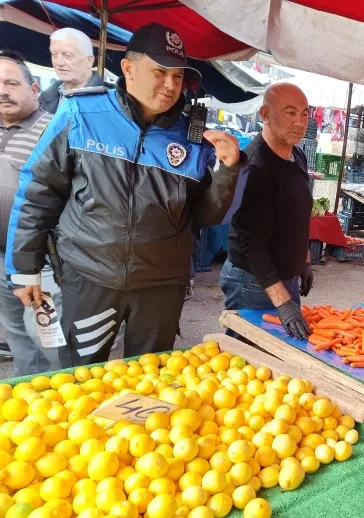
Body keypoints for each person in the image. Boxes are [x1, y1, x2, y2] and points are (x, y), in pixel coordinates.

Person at [7, 23, 242, 366]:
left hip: (161, 286)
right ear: (129, 68)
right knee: (80, 379)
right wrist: (24, 268)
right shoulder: (81, 113)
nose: (170, 85)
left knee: (148, 385)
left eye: (178, 77)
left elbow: (206, 216)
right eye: (160, 72)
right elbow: (38, 192)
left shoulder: (194, 136)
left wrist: (227, 170)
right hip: (89, 277)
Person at [220, 83, 313, 340]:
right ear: (265, 115)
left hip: (285, 278)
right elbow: (252, 245)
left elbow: (297, 214)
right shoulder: (254, 165)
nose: (300, 122)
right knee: (246, 361)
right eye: (290, 112)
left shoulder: (297, 156)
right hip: (252, 282)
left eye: (304, 114)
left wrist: (304, 260)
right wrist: (283, 303)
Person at [0, 51, 63, 374]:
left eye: (11, 83)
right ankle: (30, 396)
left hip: (42, 259)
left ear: (35, 89)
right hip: (2, 257)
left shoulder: (52, 130)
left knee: (48, 337)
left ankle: (66, 397)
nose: (2, 91)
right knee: (16, 334)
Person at [40, 28, 105, 114]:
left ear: (89, 60)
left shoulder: (109, 103)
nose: (59, 62)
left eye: (67, 55)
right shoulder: (43, 100)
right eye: (54, 54)